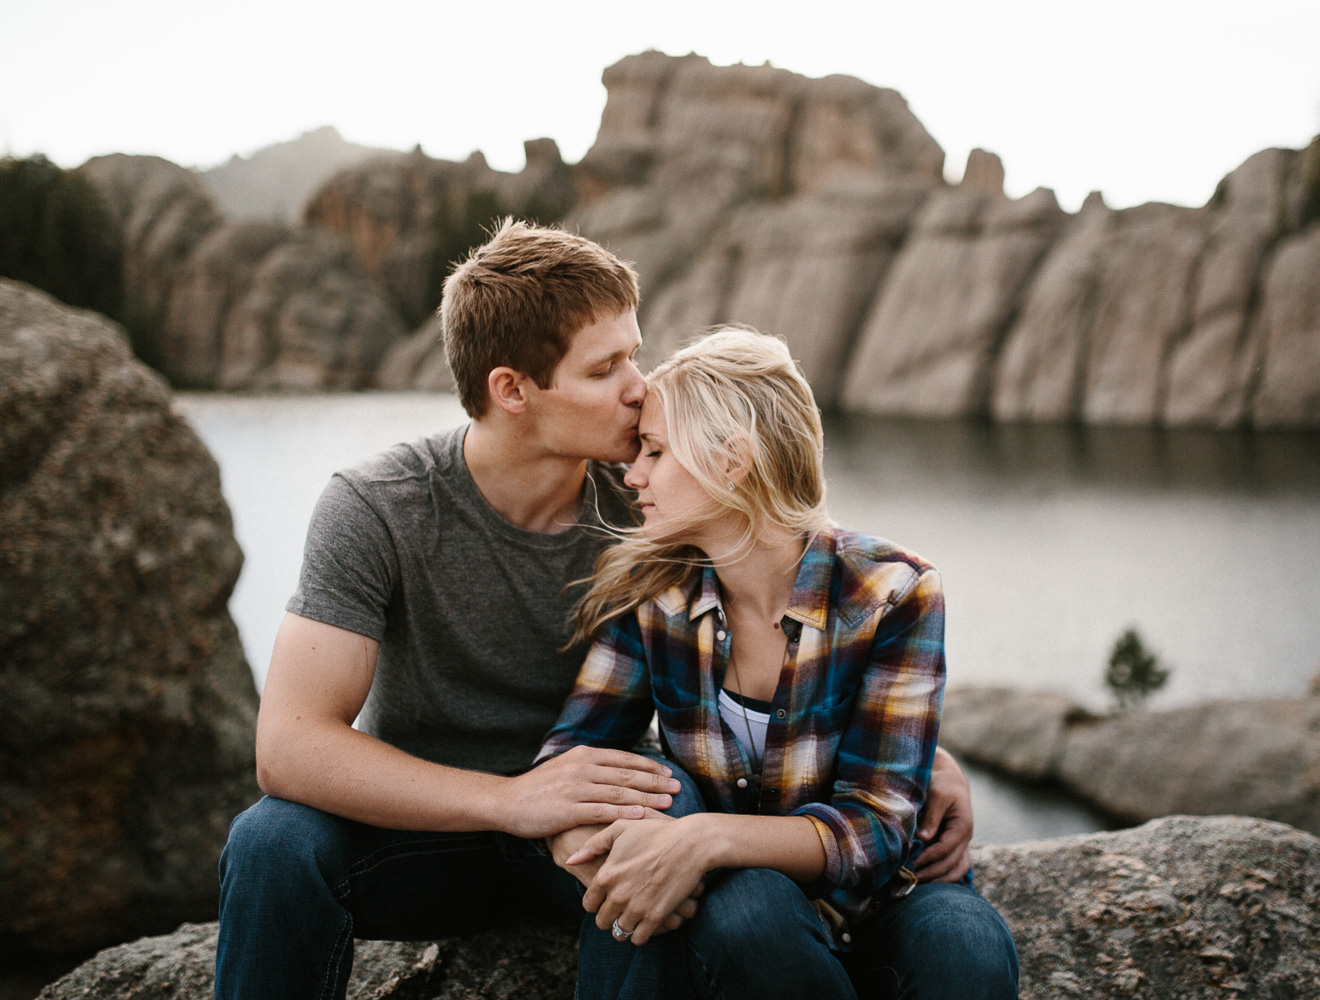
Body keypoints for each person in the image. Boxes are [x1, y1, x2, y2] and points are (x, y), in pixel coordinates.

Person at [214, 219, 979, 1000]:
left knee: (659, 801)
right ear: (512, 390)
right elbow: (289, 747)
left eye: (635, 355)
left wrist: (920, 761)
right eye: (606, 366)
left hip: (587, 839)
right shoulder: (378, 506)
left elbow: (792, 564)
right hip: (432, 831)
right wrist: (510, 801)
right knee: (272, 839)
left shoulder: (654, 501)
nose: (639, 387)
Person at [539, 328, 1019, 1000]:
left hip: (887, 900)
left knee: (966, 944)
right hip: (750, 905)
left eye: (654, 451)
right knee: (749, 914)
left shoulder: (893, 592)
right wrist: (580, 847)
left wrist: (704, 838)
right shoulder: (654, 596)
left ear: (733, 460)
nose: (632, 473)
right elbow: (571, 756)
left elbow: (879, 831)